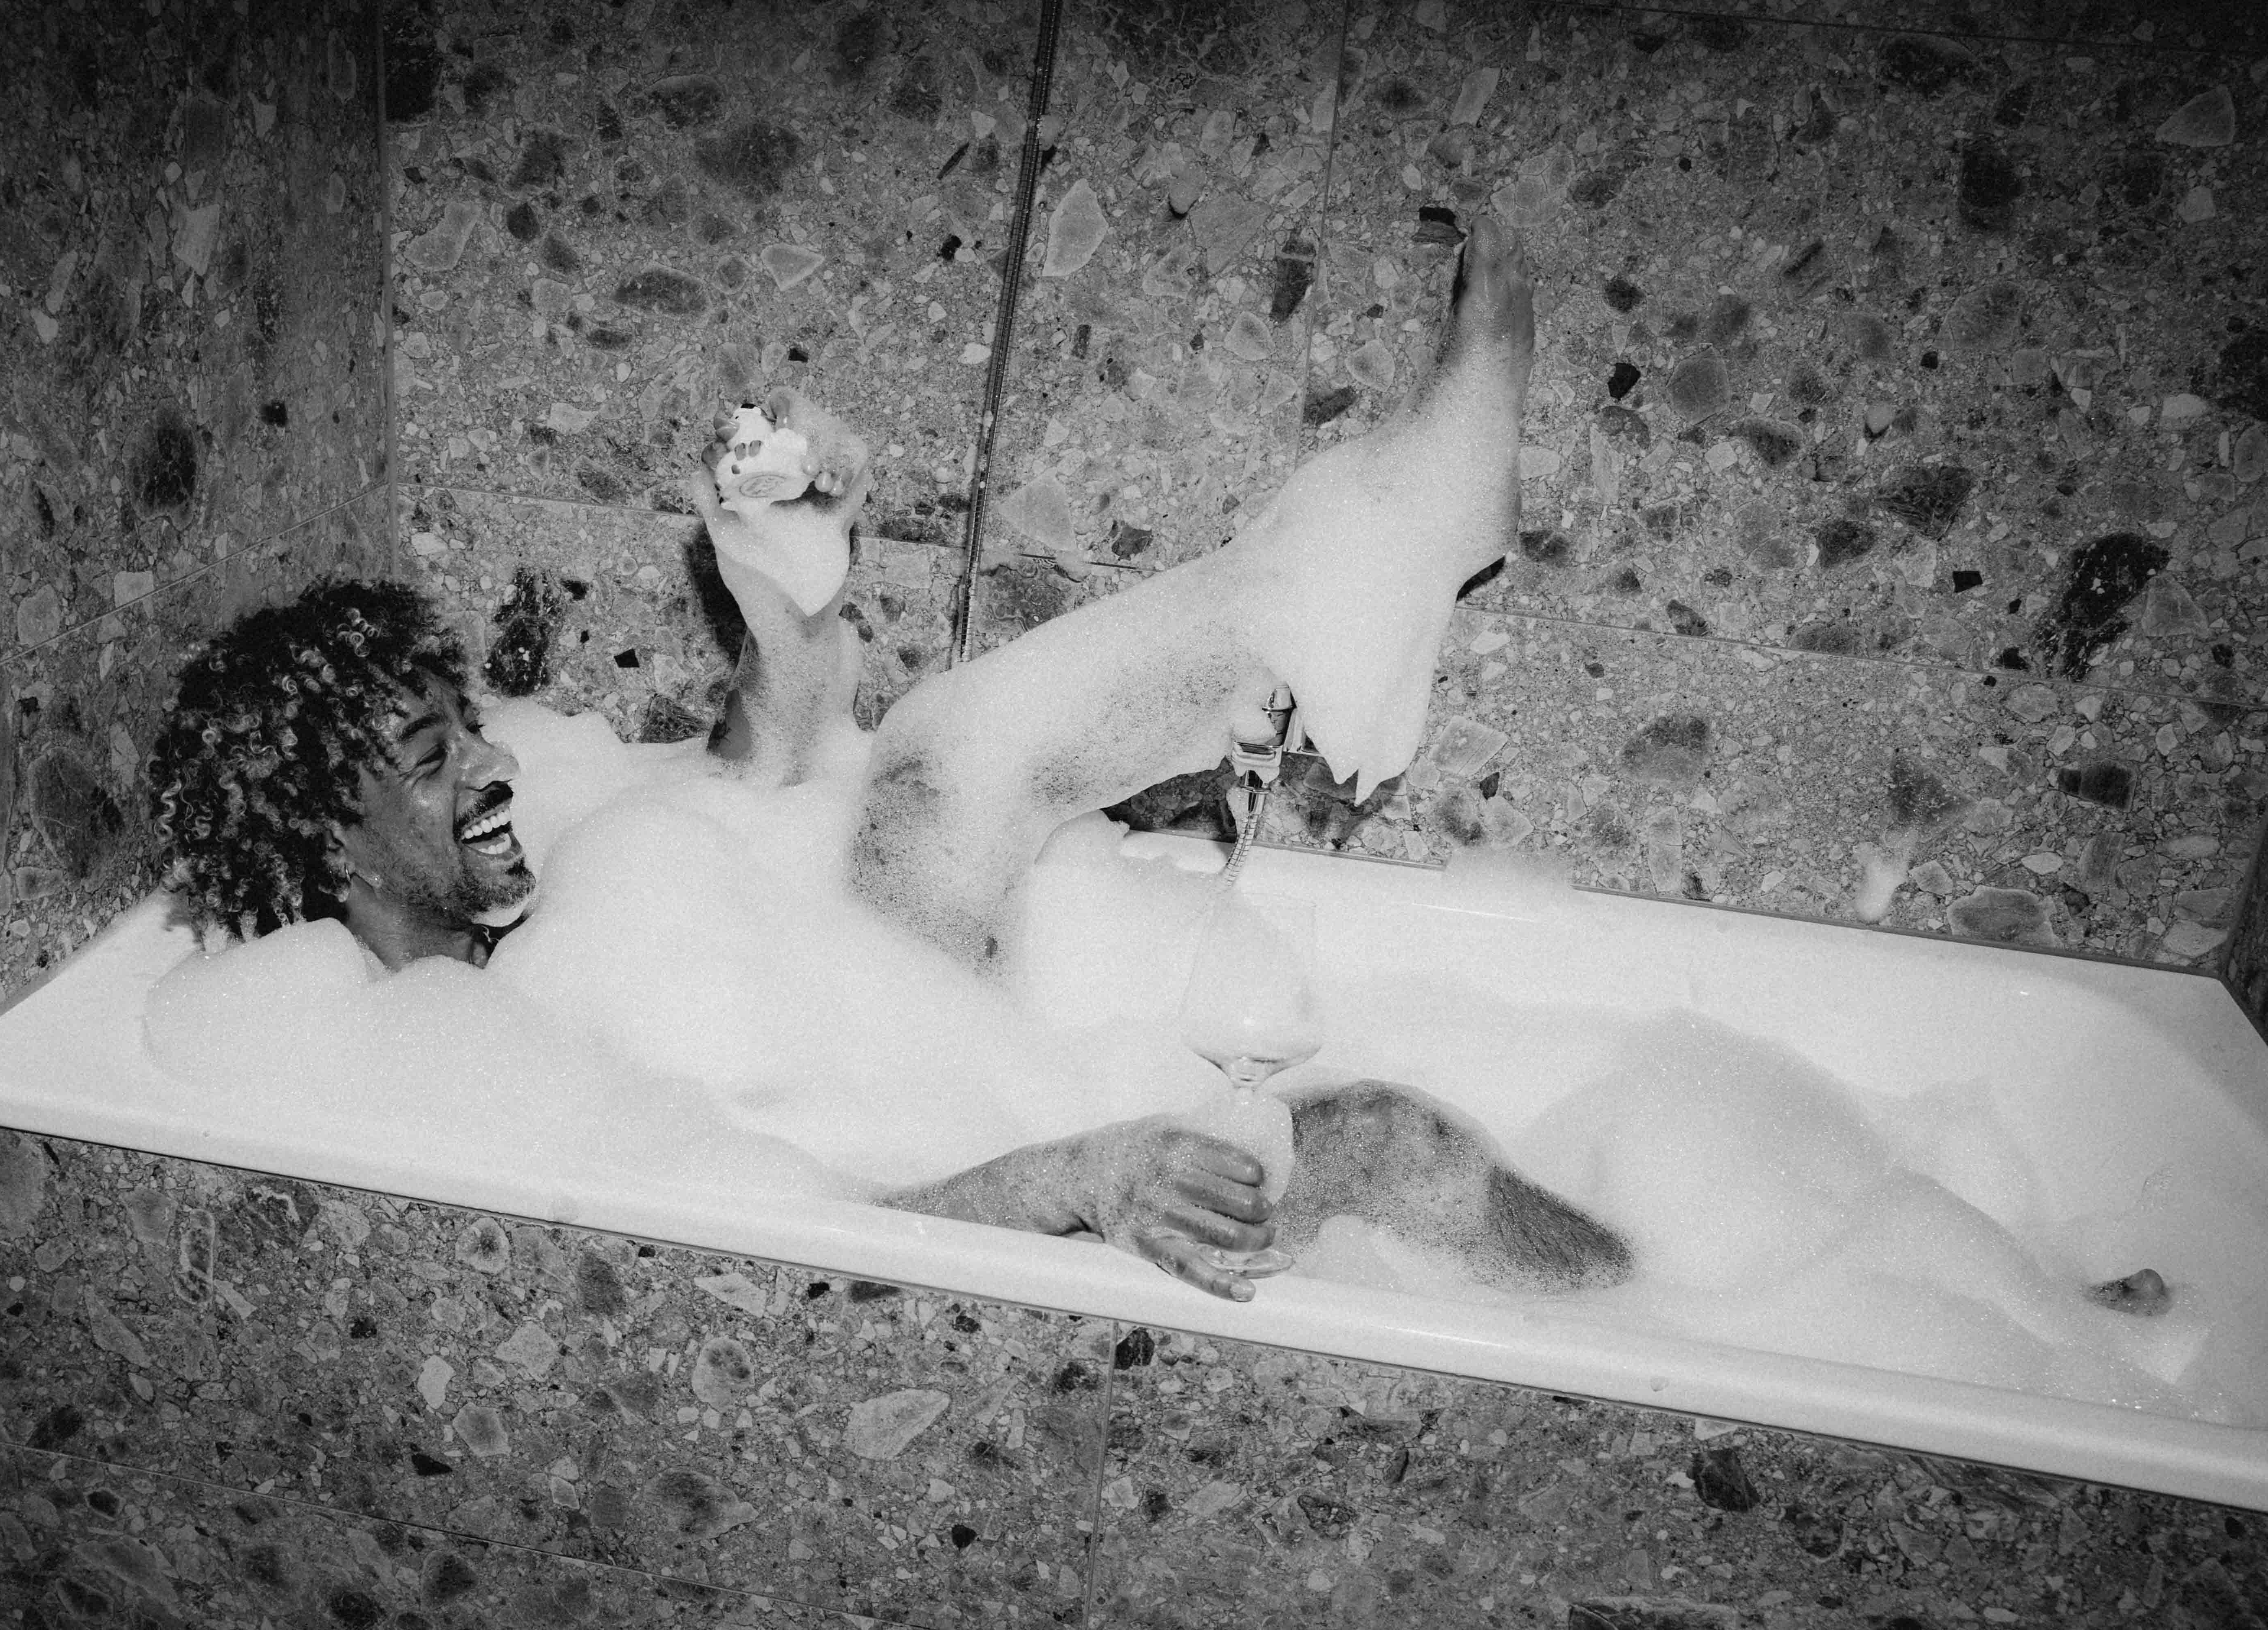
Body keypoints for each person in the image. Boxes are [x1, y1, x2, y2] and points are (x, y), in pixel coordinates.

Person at [151, 220, 1632, 1301]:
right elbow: (778, 1251)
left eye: (469, 722)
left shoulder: (557, 923)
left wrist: (784, 606)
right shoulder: (426, 1089)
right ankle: (1650, 1318)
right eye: (429, 751)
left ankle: (1365, 559)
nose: (489, 761)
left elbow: (761, 777)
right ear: (334, 844)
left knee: (939, 762)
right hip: (947, 1168)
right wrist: (1081, 1177)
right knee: (1383, 1140)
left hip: (929, 1085)